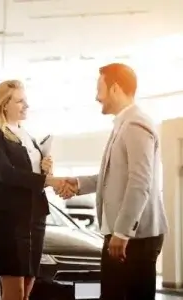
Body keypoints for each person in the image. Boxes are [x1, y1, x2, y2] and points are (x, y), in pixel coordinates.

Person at [56, 63, 168, 300]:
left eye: (100, 89)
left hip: (134, 237)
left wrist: (123, 232)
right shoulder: (124, 124)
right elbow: (115, 176)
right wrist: (78, 183)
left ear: (115, 88)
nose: (97, 98)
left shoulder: (136, 124)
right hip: (126, 234)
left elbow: (140, 181)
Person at [0, 80, 63, 300]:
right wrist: (46, 181)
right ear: (4, 104)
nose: (26, 106)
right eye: (20, 101)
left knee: (28, 287)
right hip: (10, 219)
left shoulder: (27, 135)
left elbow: (34, 173)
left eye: (25, 101)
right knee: (14, 290)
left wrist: (46, 169)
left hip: (35, 217)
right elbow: (5, 174)